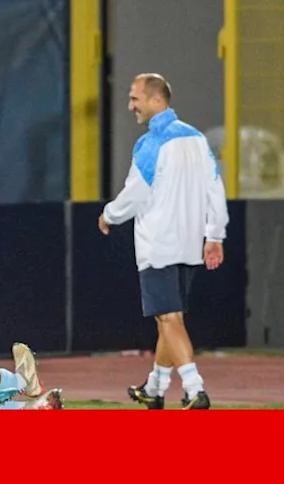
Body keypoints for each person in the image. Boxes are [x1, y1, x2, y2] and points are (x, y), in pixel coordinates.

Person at [100, 73, 227, 410]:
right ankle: (155, 387)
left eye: (135, 98)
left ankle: (194, 388)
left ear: (156, 100)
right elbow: (215, 188)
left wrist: (109, 215)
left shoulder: (151, 143)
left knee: (168, 318)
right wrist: (214, 234)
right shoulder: (197, 139)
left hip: (158, 244)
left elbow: (135, 195)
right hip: (189, 244)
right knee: (169, 320)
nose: (130, 106)